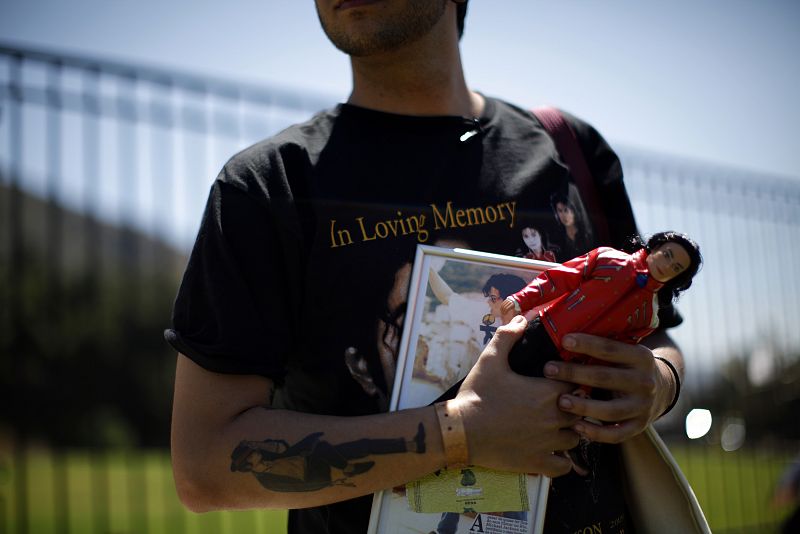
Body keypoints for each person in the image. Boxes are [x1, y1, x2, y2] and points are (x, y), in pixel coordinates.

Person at [166, 2, 690, 533]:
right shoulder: (267, 186)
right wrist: (460, 432)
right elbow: (204, 466)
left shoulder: (570, 150)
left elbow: (656, 342)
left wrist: (659, 384)